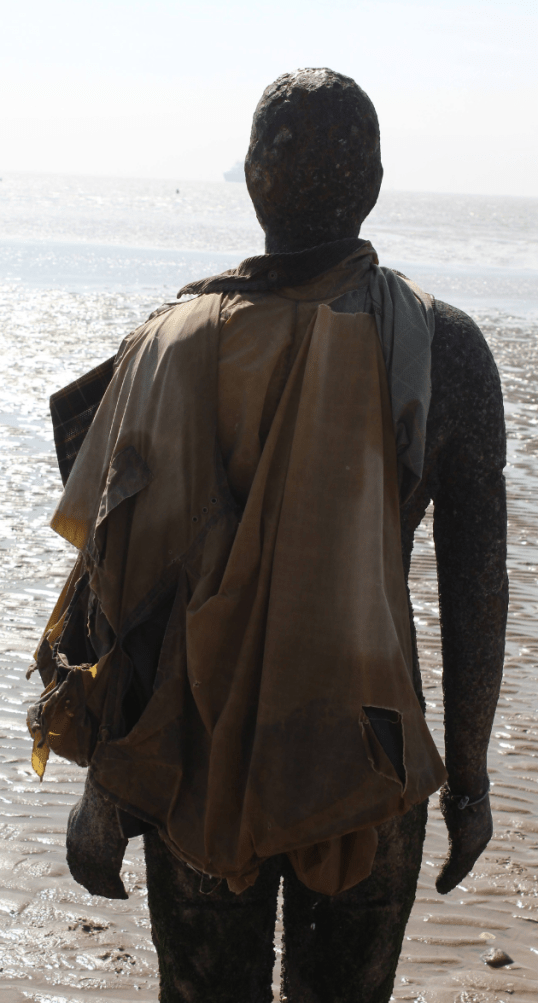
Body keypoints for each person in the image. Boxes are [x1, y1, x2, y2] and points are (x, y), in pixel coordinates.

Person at [27, 69, 507, 1003]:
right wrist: (471, 783)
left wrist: (107, 790)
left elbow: (120, 589)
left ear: (253, 180)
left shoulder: (166, 345)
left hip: (195, 756)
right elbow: (474, 587)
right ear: (373, 182)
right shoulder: (441, 347)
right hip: (371, 757)